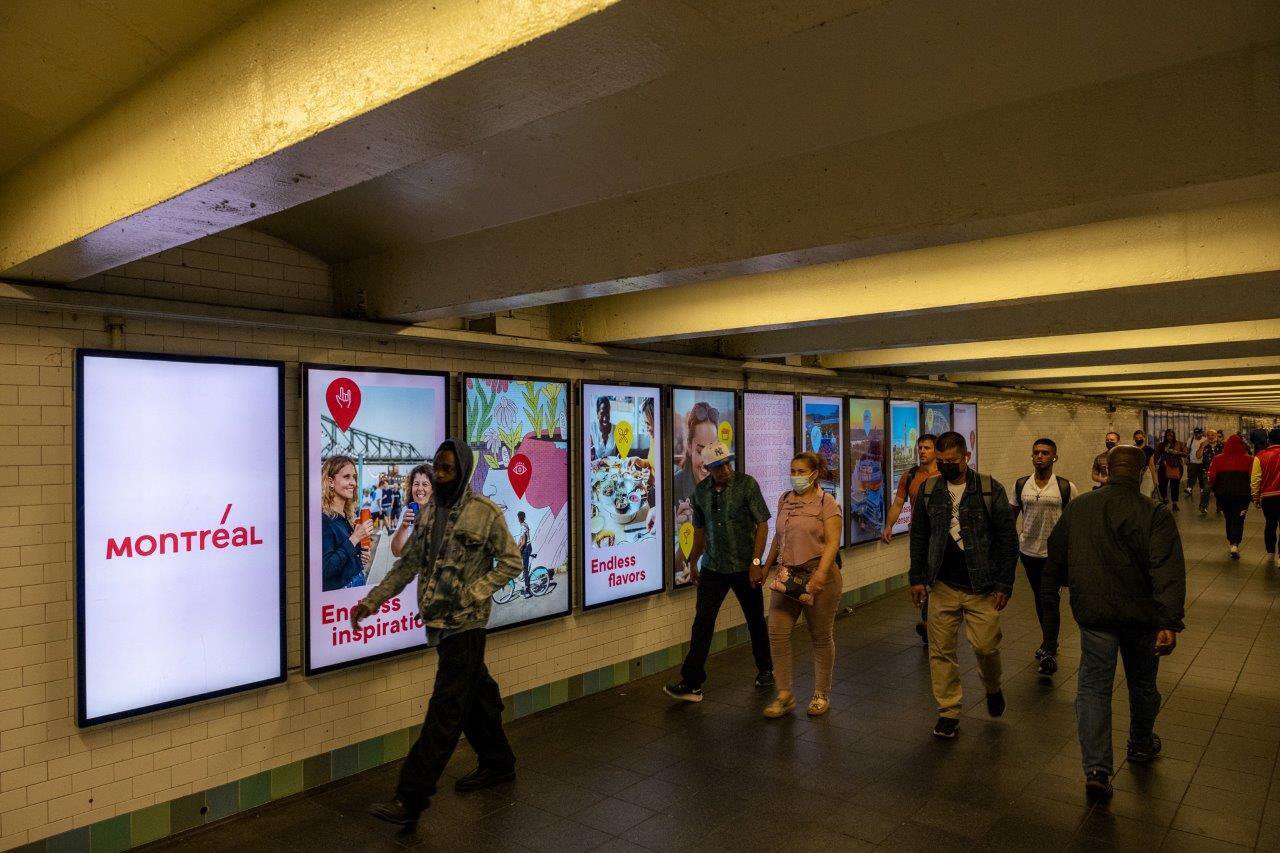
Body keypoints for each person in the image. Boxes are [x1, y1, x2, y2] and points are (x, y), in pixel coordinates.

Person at [353, 439, 523, 827]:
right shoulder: (428, 514)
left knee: (446, 709)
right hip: (437, 622)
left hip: (466, 624)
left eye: (447, 470)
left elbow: (511, 561)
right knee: (476, 696)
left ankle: (411, 797)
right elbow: (407, 564)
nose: (440, 476)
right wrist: (372, 601)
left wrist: (475, 590)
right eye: (436, 468)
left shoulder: (485, 514)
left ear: (462, 471)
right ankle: (499, 763)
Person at [1043, 445, 1185, 800]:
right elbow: (1167, 569)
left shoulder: (1080, 507)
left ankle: (1097, 769)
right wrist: (1169, 621)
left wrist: (1057, 588)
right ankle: (1140, 743)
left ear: (1108, 470)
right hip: (1142, 617)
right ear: (1139, 473)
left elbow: (1056, 552)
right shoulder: (1154, 512)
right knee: (1142, 684)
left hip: (1095, 615)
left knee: (1092, 688)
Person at [909, 431, 1018, 739]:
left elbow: (1007, 540)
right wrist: (917, 578)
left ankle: (993, 687)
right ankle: (948, 711)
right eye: (940, 461)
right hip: (942, 585)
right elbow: (919, 536)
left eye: (952, 461)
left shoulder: (988, 489)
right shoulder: (930, 489)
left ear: (966, 457)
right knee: (940, 651)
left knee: (986, 647)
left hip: (981, 587)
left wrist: (1004, 584)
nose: (945, 466)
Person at [665, 442, 774, 702]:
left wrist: (756, 562)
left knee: (755, 619)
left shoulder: (747, 485)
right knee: (702, 622)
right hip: (713, 567)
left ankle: (765, 669)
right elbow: (700, 531)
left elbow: (762, 524)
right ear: (708, 468)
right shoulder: (700, 493)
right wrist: (693, 562)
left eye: (727, 463)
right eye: (719, 466)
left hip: (744, 565)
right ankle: (692, 682)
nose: (725, 469)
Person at [760, 451, 843, 718]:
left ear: (814, 474)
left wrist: (821, 573)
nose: (795, 476)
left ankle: (821, 693)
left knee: (820, 637)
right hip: (787, 579)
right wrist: (766, 565)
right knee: (776, 633)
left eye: (800, 472)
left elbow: (832, 542)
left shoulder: (826, 503)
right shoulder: (785, 499)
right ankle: (784, 694)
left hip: (819, 578)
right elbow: (778, 537)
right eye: (793, 471)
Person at [1011, 438, 1077, 676]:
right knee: (1040, 599)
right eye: (1036, 452)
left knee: (1049, 599)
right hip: (1028, 552)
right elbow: (1012, 515)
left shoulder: (1065, 487)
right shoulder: (1021, 485)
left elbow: (1073, 522)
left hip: (1053, 555)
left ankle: (1049, 649)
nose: (1040, 456)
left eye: (1045, 453)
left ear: (1054, 457)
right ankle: (1048, 641)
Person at [882, 433, 938, 644]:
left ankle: (933, 621)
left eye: (927, 448)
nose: (922, 451)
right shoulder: (910, 475)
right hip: (919, 536)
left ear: (936, 451)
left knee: (938, 577)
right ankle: (927, 622)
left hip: (942, 535)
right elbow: (898, 503)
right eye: (920, 448)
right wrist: (889, 525)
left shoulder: (944, 474)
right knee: (922, 576)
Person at [673, 402, 722, 584]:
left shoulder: (724, 486)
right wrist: (684, 535)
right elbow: (675, 570)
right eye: (701, 451)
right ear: (689, 447)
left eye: (712, 450)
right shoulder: (675, 488)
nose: (707, 462)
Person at [320, 455, 373, 591]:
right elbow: (326, 569)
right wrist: (355, 538)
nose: (353, 483)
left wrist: (359, 559)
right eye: (346, 477)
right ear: (331, 481)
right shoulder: (323, 520)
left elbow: (343, 558)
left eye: (354, 477)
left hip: (356, 582)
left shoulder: (345, 516)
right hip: (341, 594)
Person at [1209, 434, 1253, 559]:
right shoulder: (1249, 459)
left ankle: (1231, 541)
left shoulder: (1218, 459)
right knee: (1239, 519)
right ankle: (1235, 543)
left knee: (1229, 518)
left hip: (1223, 495)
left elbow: (1212, 476)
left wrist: (1213, 488)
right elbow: (1253, 477)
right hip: (1242, 495)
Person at [391, 463, 433, 558]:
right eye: (416, 484)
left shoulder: (442, 512)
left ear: (433, 489)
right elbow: (396, 552)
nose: (420, 488)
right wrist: (404, 526)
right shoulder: (407, 510)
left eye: (425, 484)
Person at [1252, 427, 1280, 568]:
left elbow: (1256, 479)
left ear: (1269, 440)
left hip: (1268, 497)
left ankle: (1270, 553)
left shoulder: (1260, 456)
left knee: (1270, 524)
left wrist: (1255, 496)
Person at [1154, 429, 1187, 511]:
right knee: (1163, 485)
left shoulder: (1179, 444)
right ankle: (1164, 498)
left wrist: (1176, 452)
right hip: (1163, 468)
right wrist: (1156, 465)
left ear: (1174, 436)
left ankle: (1175, 503)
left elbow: (1185, 454)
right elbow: (1156, 456)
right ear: (1165, 436)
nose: (1169, 437)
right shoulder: (1161, 445)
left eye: (1171, 435)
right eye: (1168, 435)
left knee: (1175, 486)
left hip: (1175, 467)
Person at [1198, 429, 1224, 516]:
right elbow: (1198, 456)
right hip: (1207, 471)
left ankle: (1220, 507)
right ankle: (1203, 507)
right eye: (1208, 435)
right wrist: (1202, 447)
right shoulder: (1204, 445)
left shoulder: (1221, 446)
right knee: (1206, 489)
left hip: (1220, 472)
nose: (1210, 437)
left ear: (1216, 435)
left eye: (1212, 435)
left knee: (1220, 491)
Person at [515, 510, 535, 597]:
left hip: (526, 548)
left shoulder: (523, 526)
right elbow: (520, 540)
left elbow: (523, 542)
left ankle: (527, 591)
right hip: (527, 547)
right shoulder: (524, 525)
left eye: (519, 517)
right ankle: (523, 577)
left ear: (520, 518)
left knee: (525, 569)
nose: (518, 519)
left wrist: (518, 549)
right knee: (523, 566)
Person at [1186, 427, 1207, 500]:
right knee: (1191, 476)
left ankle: (1202, 489)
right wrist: (1187, 458)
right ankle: (1189, 488)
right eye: (1196, 434)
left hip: (1202, 462)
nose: (1198, 435)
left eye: (1199, 433)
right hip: (1193, 462)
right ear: (1194, 434)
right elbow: (1188, 450)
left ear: (1202, 433)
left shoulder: (1205, 440)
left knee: (1201, 477)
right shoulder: (1190, 440)